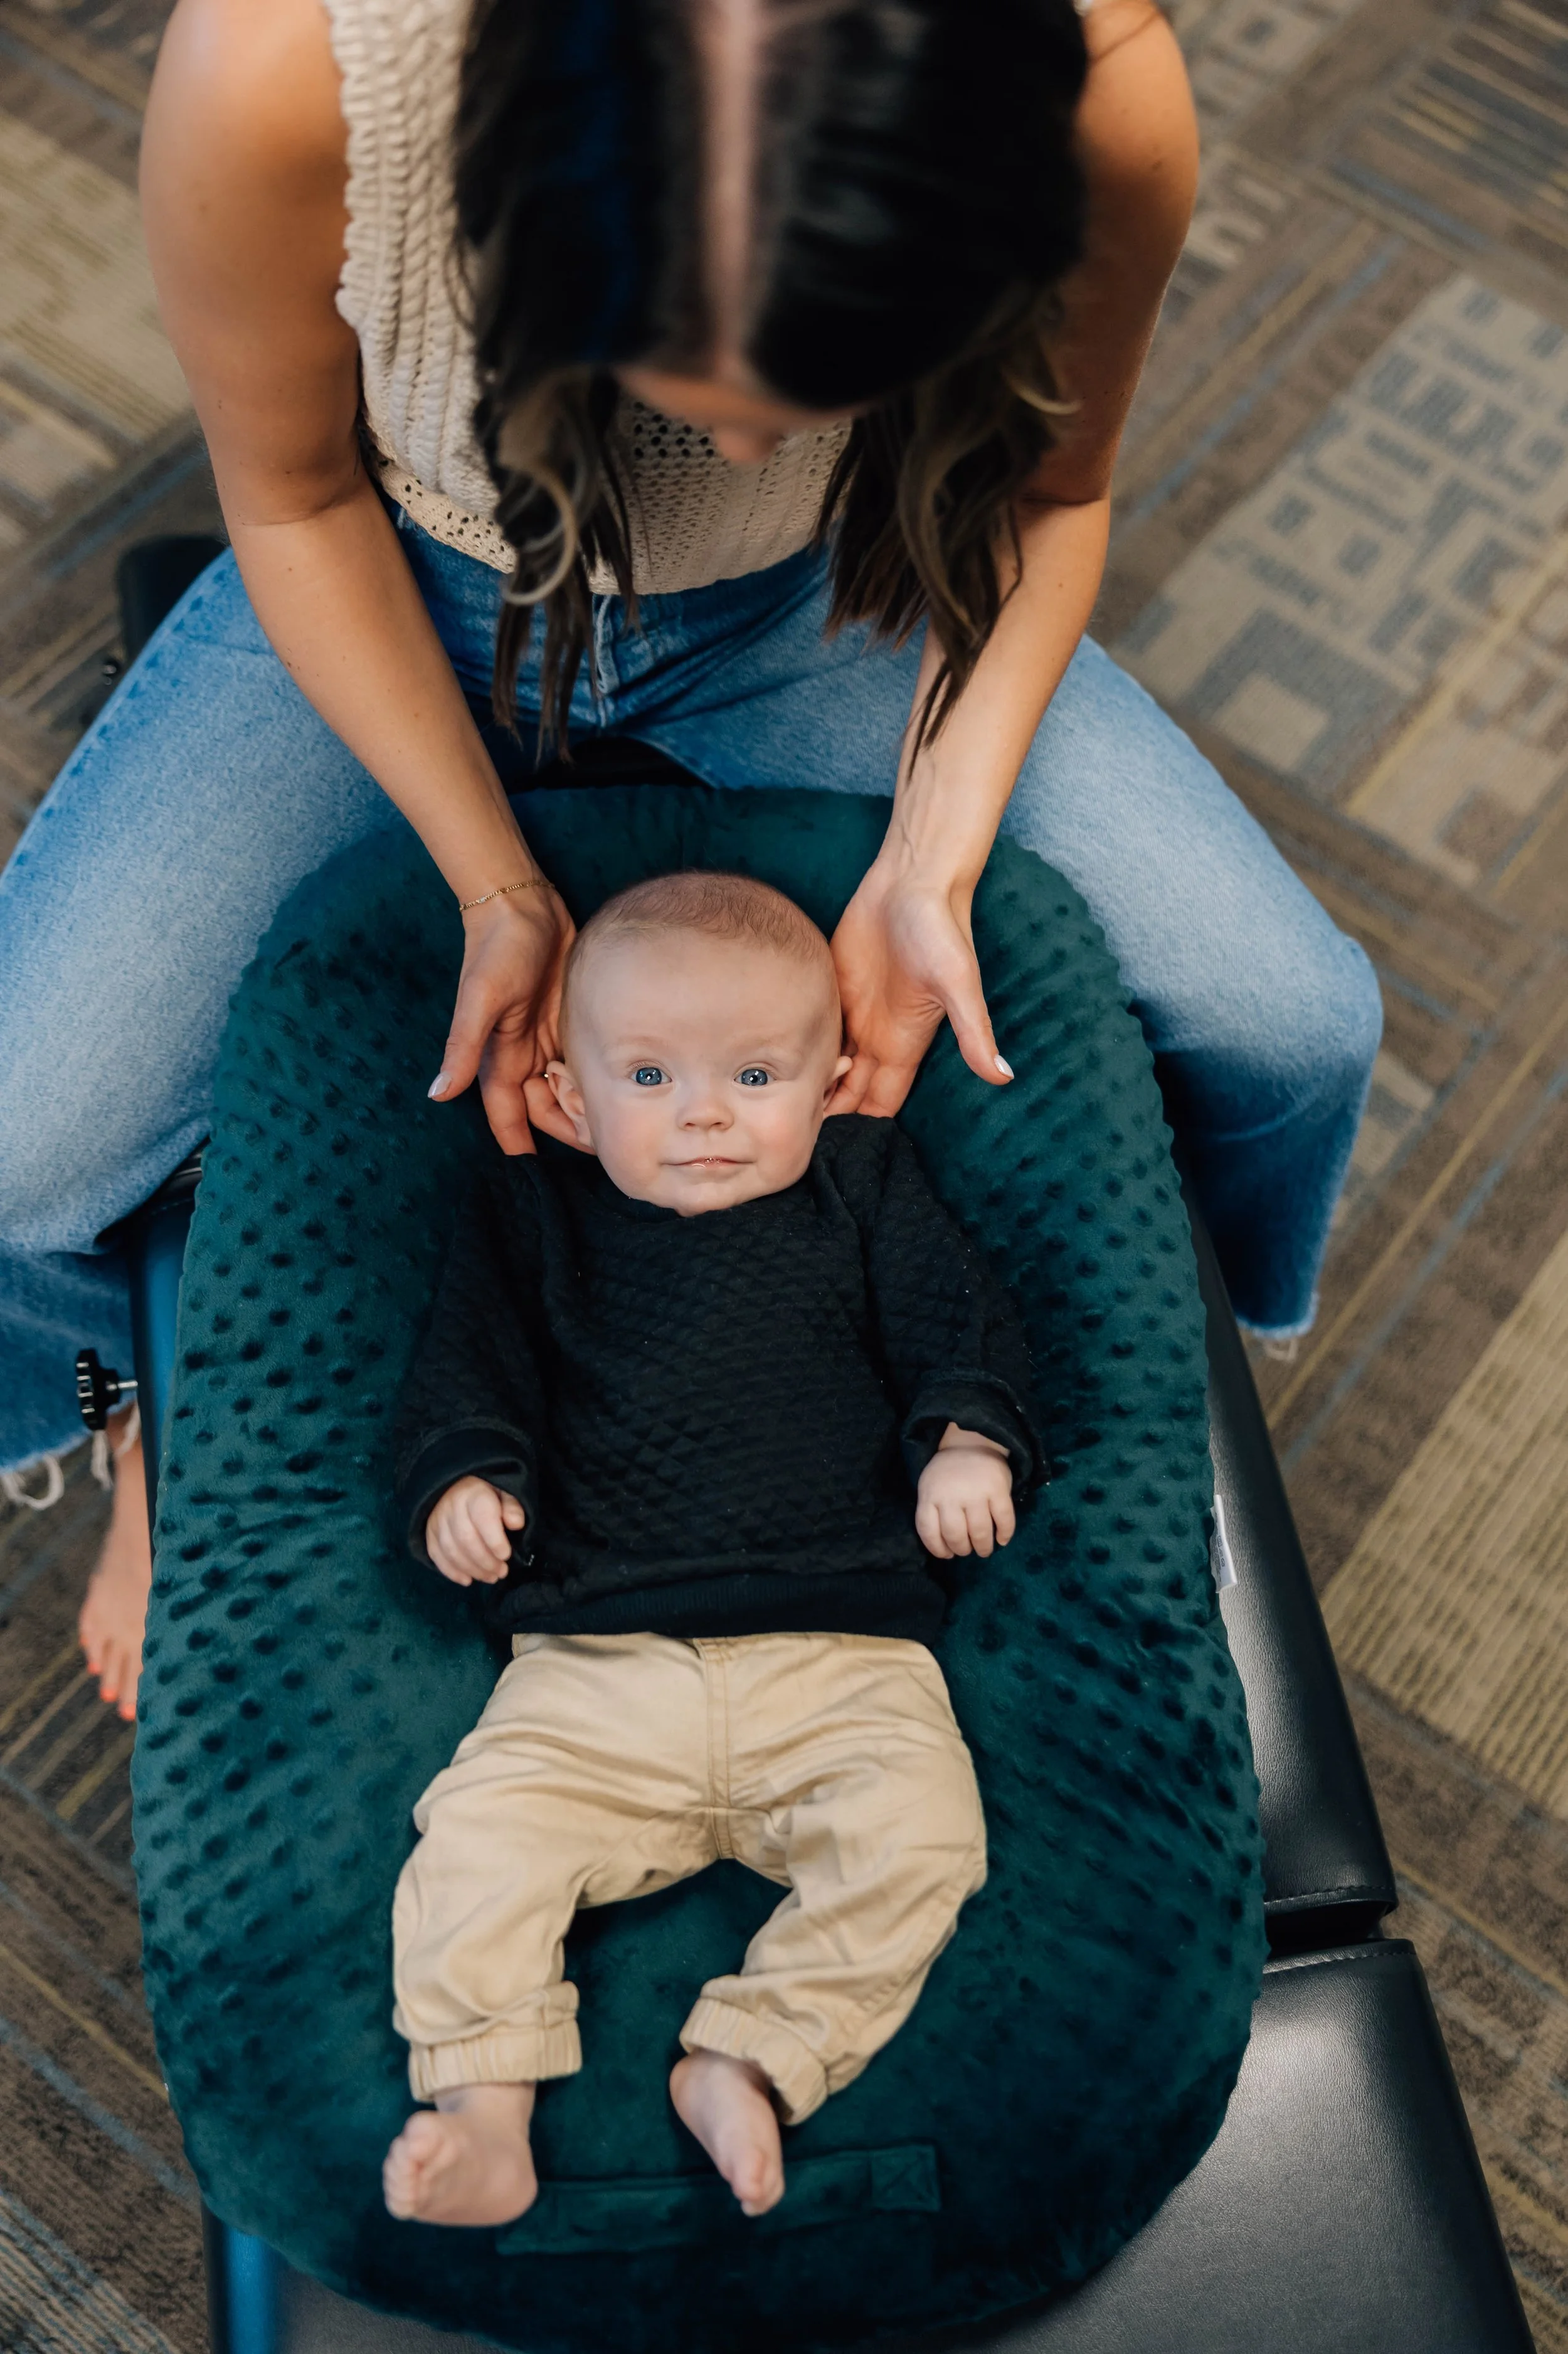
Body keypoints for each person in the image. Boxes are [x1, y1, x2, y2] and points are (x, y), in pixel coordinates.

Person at [0, 0, 1381, 1723]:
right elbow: (291, 499)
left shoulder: (1090, 82)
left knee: (1298, 1018)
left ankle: (1204, 1366)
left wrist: (933, 852)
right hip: (423, 580)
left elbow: (1047, 497)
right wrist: (495, 885)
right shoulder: (290, 58)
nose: (735, 450)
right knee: (21, 1136)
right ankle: (142, 1407)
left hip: (840, 600)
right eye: (687, 392)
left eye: (818, 394)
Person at [383, 872, 1039, 2226]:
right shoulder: (533, 1211)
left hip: (841, 1657)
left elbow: (951, 1311)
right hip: (596, 1665)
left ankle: (750, 2053)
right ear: (566, 1094)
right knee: (477, 1837)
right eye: (648, 1073)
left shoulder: (857, 1183)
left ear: (834, 1081)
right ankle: (484, 2104)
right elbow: (463, 1362)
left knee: (923, 1837)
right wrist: (461, 1473)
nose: (703, 1112)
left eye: (752, 1073)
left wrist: (966, 1438)